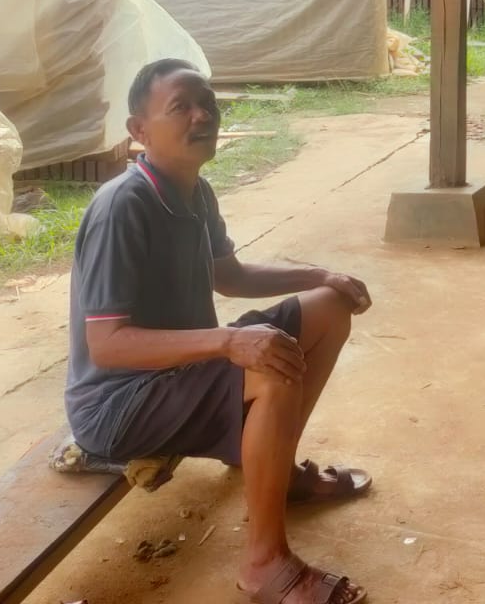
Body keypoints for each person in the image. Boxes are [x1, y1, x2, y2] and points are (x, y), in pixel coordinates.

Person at [66, 59, 372, 604]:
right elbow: (107, 345)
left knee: (328, 308)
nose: (202, 115)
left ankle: (276, 471)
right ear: (140, 130)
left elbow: (230, 277)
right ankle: (264, 565)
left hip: (179, 374)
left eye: (207, 103)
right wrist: (230, 341)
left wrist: (321, 276)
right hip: (117, 405)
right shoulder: (123, 207)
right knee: (271, 368)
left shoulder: (195, 192)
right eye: (180, 107)